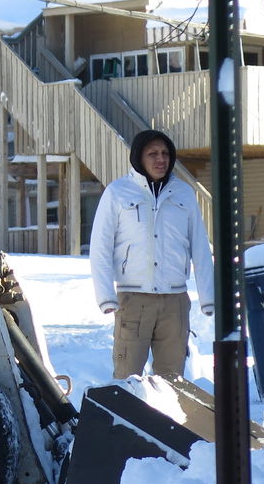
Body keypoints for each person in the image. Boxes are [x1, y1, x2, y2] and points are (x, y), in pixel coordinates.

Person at [89, 129, 215, 380]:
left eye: (166, 153)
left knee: (172, 380)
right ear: (139, 157)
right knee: (127, 377)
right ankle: (127, 420)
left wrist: (208, 298)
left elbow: (200, 247)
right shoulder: (117, 193)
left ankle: (168, 420)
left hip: (174, 302)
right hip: (133, 301)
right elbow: (100, 248)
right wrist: (106, 297)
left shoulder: (184, 194)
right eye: (153, 153)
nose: (161, 159)